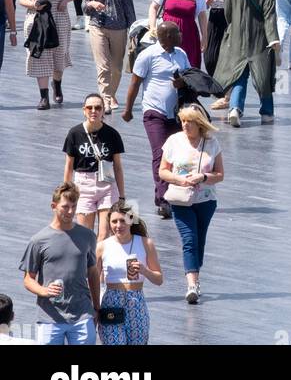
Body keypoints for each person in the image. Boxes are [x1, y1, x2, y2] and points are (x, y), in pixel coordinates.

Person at [123, 21, 189, 220]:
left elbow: (189, 76)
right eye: (177, 32)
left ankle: (176, 194)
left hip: (176, 114)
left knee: (176, 155)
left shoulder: (181, 54)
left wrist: (182, 82)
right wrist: (128, 110)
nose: (180, 35)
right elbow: (135, 83)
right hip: (154, 112)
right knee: (160, 154)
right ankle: (163, 200)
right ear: (167, 36)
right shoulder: (148, 56)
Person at [158, 104, 224, 303]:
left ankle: (195, 272)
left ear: (200, 124)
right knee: (189, 239)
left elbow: (220, 174)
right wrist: (180, 180)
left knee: (199, 242)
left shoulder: (212, 143)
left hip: (205, 201)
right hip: (181, 200)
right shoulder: (173, 141)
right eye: (183, 120)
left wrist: (203, 177)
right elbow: (162, 171)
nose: (185, 125)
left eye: (190, 121)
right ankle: (191, 285)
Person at [20, 183, 100, 345]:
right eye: (65, 207)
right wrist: (44, 290)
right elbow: (28, 279)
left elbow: (92, 272)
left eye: (74, 206)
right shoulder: (38, 240)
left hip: (82, 314)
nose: (70, 211)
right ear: (53, 206)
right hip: (50, 317)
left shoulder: (88, 236)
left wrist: (96, 308)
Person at [216, 0, 280, 127]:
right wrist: (273, 39)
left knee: (239, 76)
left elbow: (227, 15)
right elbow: (269, 17)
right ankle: (267, 112)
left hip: (237, 39)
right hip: (260, 40)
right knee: (263, 77)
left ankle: (235, 108)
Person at [94, 198, 163, 346]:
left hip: (136, 302)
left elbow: (159, 279)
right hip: (111, 302)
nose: (118, 225)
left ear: (131, 220)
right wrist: (94, 307)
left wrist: (144, 270)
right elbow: (93, 280)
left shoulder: (145, 243)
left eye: (122, 221)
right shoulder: (102, 246)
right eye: (114, 221)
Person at [19, 0, 78, 109]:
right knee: (40, 56)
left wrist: (65, 0)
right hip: (37, 20)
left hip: (58, 19)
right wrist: (32, 4)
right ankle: (43, 97)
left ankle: (57, 84)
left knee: (58, 56)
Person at [62, 93, 125, 240]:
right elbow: (69, 166)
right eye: (89, 108)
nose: (93, 111)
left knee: (105, 234)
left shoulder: (112, 134)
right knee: (85, 234)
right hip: (83, 185)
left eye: (98, 108)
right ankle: (87, 263)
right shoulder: (75, 133)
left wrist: (121, 195)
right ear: (84, 110)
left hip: (107, 185)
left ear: (103, 110)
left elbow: (118, 167)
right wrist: (66, 192)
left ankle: (98, 264)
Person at [81, 0, 136, 114]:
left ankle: (111, 94)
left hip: (119, 27)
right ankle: (105, 99)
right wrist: (92, 3)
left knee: (116, 68)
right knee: (103, 66)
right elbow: (83, 6)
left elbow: (128, 7)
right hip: (97, 25)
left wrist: (133, 30)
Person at [149, 0, 208, 70]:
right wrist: (152, 27)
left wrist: (204, 36)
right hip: (167, 33)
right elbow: (153, 7)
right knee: (165, 65)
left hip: (188, 34)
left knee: (188, 67)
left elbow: (202, 15)